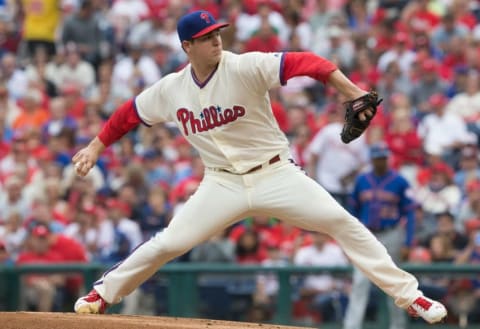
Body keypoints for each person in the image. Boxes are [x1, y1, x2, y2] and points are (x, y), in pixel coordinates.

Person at [72, 10, 447, 324]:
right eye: (205, 37)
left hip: (275, 174)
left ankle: (412, 297)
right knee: (169, 242)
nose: (216, 39)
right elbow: (128, 114)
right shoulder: (171, 89)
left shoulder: (245, 66)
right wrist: (95, 146)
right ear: (187, 46)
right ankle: (104, 294)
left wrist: (351, 91)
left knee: (342, 223)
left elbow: (311, 63)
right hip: (221, 184)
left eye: (217, 32)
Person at [343, 142, 417, 329]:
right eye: (377, 158)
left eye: (383, 158)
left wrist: (408, 241)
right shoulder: (362, 180)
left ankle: (397, 326)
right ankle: (352, 326)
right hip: (367, 235)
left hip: (391, 233)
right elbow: (352, 212)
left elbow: (410, 212)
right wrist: (351, 238)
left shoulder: (400, 181)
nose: (380, 161)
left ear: (388, 158)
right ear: (371, 159)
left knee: (395, 284)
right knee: (360, 282)